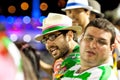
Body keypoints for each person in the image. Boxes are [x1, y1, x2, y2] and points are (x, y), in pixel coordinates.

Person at [35, 13, 82, 79]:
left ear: (69, 36)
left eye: (52, 36)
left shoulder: (75, 61)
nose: (48, 44)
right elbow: (54, 72)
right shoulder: (75, 55)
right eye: (45, 40)